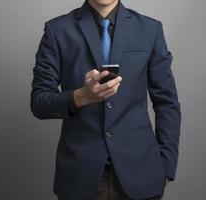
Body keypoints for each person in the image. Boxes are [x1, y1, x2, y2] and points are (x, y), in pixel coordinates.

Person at [30, 0, 181, 199]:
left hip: (142, 172)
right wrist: (80, 97)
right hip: (80, 176)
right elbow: (39, 102)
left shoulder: (150, 29)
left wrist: (167, 165)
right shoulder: (57, 30)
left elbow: (167, 101)